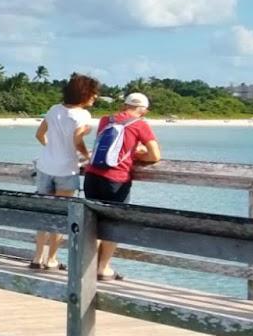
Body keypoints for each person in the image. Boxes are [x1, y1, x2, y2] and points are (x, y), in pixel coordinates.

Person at [81, 91, 161, 280]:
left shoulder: (106, 120)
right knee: (114, 224)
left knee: (93, 222)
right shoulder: (140, 124)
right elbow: (155, 156)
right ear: (142, 110)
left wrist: (132, 149)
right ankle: (103, 267)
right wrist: (137, 153)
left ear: (125, 105)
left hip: (92, 176)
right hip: (116, 179)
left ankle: (87, 265)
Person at [31, 73, 100, 270]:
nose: (95, 97)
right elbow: (77, 141)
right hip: (66, 170)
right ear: (85, 94)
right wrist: (87, 157)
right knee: (61, 216)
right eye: (94, 94)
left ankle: (37, 257)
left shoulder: (54, 109)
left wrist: (51, 150)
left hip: (45, 167)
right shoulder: (83, 115)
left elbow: (39, 134)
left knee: (44, 213)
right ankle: (51, 258)